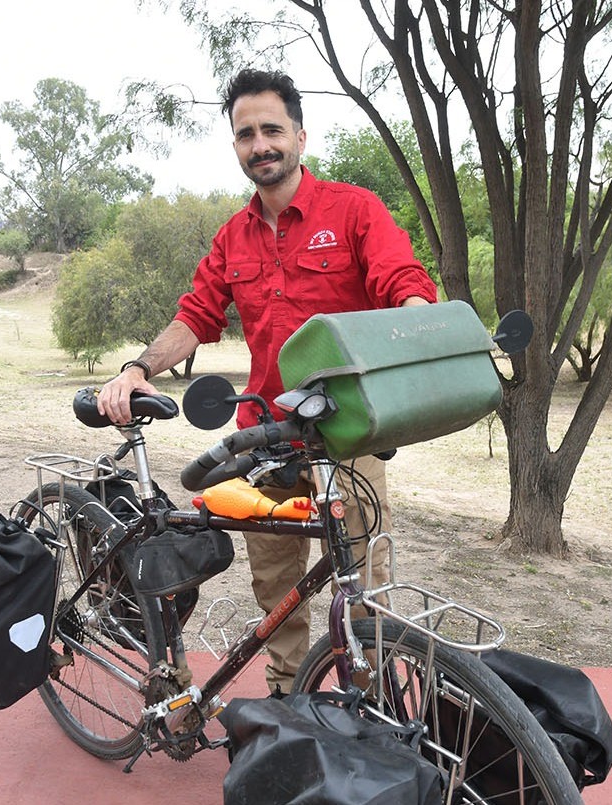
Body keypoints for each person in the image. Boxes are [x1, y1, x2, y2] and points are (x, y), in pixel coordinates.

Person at [97, 68, 437, 693]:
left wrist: (419, 329)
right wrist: (138, 368)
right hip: (264, 440)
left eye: (272, 130)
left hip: (348, 434)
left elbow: (403, 282)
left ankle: (378, 710)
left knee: (366, 587)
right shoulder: (234, 236)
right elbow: (195, 314)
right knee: (277, 590)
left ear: (301, 137)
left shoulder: (354, 210)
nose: (261, 145)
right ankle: (287, 699)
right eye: (246, 134)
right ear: (237, 146)